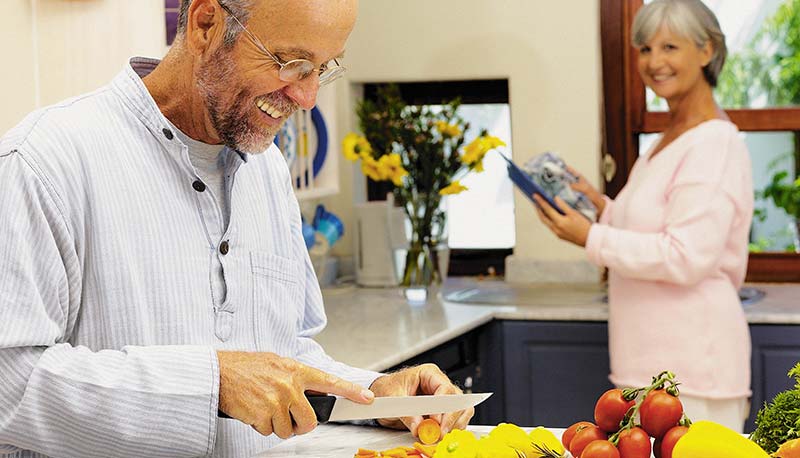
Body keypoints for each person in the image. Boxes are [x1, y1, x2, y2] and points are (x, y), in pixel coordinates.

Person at [0, 0, 473, 456]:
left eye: (324, 69)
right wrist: (213, 383)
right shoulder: (44, 162)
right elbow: (8, 384)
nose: (307, 98)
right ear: (206, 24)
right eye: (291, 63)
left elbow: (281, 357)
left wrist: (376, 396)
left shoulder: (267, 169)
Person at [533, 0, 753, 432]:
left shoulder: (714, 143)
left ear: (706, 51)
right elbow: (656, 226)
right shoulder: (668, 140)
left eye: (670, 47)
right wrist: (603, 207)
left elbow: (686, 255)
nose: (654, 62)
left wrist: (591, 238)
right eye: (645, 49)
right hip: (650, 370)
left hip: (694, 373)